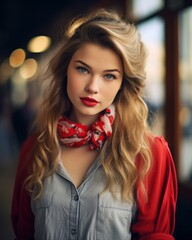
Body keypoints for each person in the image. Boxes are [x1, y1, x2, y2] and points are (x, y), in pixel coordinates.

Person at [11, 8, 178, 240]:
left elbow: (156, 235)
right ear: (65, 71)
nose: (92, 87)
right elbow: (24, 232)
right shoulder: (34, 150)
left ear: (123, 83)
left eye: (109, 75)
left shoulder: (149, 153)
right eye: (82, 69)